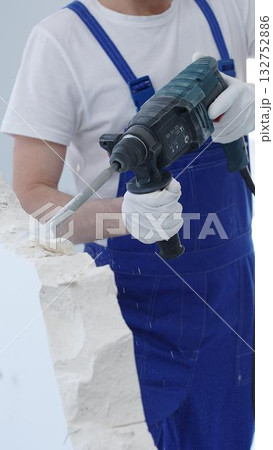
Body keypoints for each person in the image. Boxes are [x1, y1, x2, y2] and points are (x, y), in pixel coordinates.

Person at [1, 0, 255, 448]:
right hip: (135, 313)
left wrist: (263, 110)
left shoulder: (234, 8)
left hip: (231, 306)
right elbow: (32, 202)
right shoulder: (60, 42)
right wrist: (123, 216)